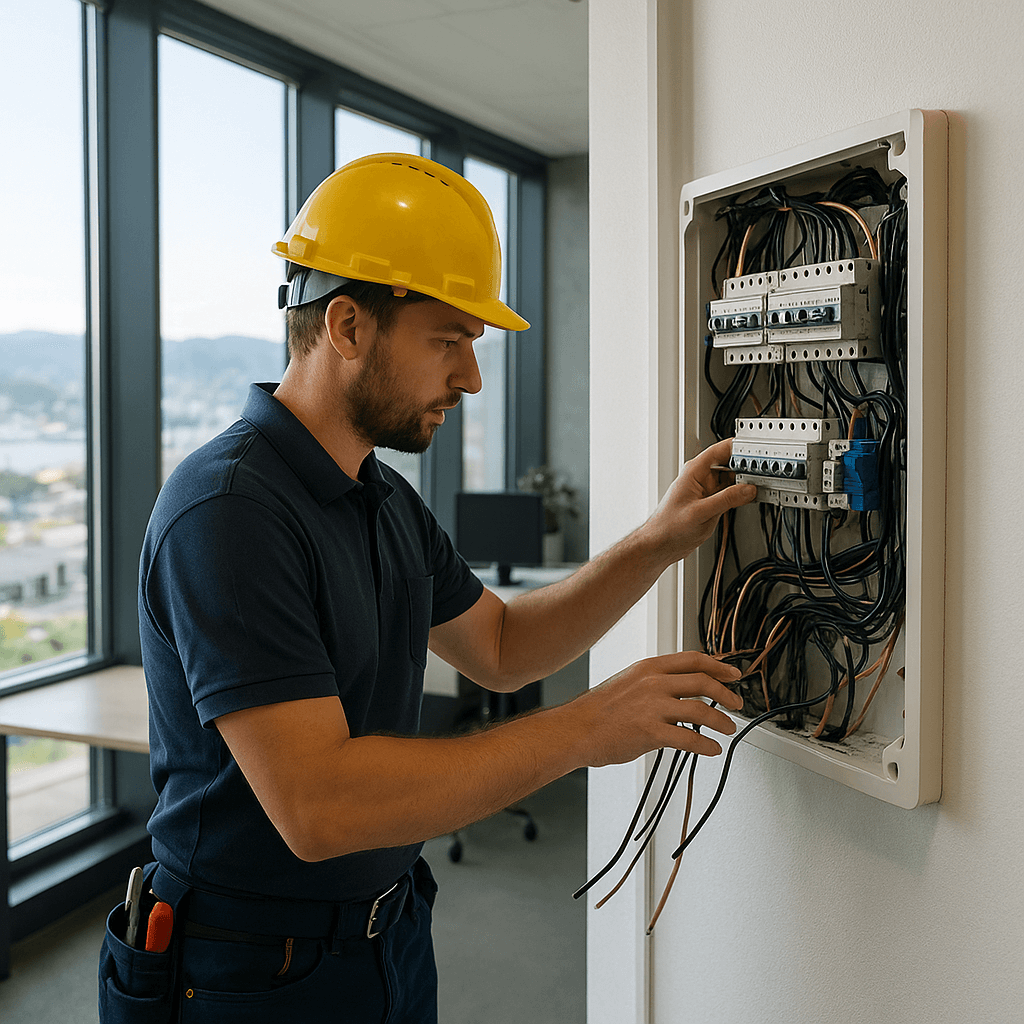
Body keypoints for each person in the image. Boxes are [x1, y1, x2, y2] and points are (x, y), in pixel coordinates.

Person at [100, 152, 755, 1023]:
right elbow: (318, 805)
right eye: (448, 340)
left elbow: (501, 646)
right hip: (247, 972)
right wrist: (586, 727)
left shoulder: (380, 495)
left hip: (387, 933)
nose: (472, 378)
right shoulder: (229, 512)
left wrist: (656, 544)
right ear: (347, 326)